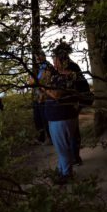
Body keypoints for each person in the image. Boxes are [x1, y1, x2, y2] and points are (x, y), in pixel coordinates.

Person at [41, 48, 84, 183]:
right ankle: (61, 171)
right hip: (57, 116)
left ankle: (66, 175)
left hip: (62, 116)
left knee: (62, 148)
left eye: (55, 59)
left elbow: (56, 94)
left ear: (61, 61)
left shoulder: (68, 75)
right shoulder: (57, 75)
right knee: (61, 147)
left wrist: (42, 85)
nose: (53, 62)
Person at [52, 43, 84, 166]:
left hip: (70, 105)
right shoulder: (59, 69)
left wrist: (78, 103)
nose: (53, 61)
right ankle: (73, 158)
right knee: (72, 134)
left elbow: (81, 86)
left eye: (54, 58)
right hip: (66, 107)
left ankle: (73, 158)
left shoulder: (71, 68)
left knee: (73, 134)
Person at [29, 54, 52, 144]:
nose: (37, 58)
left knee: (45, 118)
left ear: (44, 56)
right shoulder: (37, 68)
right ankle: (41, 138)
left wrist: (35, 82)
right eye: (36, 57)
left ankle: (50, 138)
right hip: (36, 97)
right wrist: (33, 82)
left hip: (44, 97)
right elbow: (30, 81)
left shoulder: (48, 67)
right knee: (37, 118)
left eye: (39, 56)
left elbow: (45, 82)